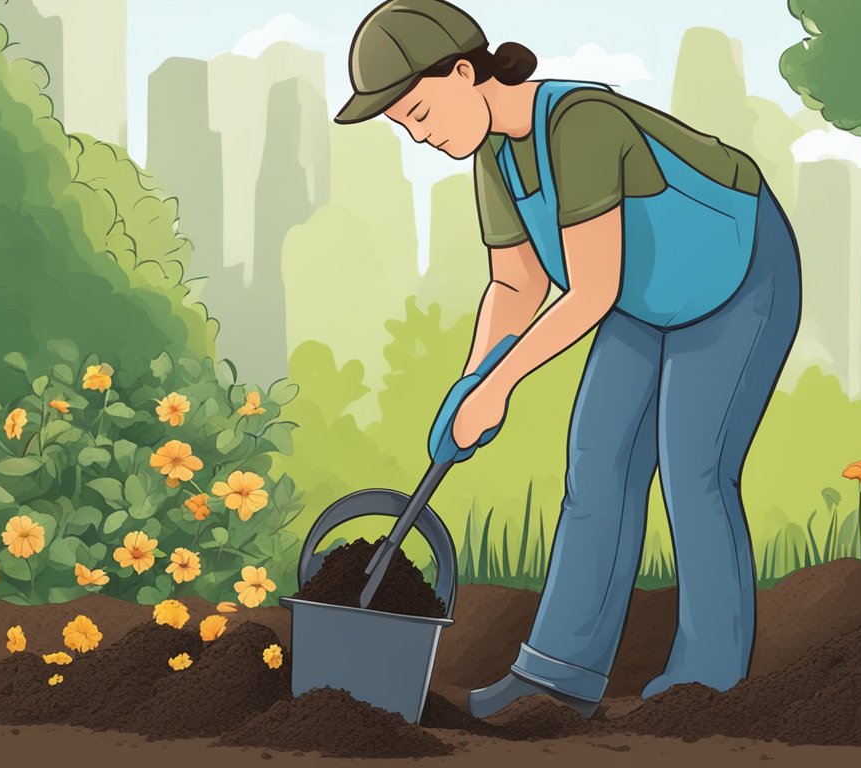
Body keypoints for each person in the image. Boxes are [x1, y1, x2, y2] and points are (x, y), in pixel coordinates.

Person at [335, 0, 802, 718]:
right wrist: (470, 387)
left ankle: (706, 685)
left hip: (737, 279)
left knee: (694, 471)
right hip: (646, 300)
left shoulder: (582, 123)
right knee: (597, 462)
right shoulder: (491, 155)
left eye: (419, 114)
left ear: (463, 71)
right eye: (405, 127)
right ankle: (557, 676)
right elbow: (515, 282)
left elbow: (588, 291)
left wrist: (504, 383)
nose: (419, 136)